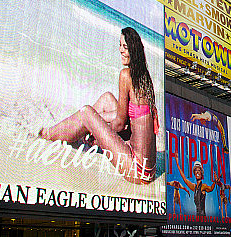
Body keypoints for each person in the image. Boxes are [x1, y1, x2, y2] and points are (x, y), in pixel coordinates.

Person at [39, 27, 158, 184]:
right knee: (107, 98)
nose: (121, 50)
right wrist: (98, 124)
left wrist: (96, 129)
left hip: (137, 169)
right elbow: (130, 119)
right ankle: (80, 131)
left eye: (125, 47)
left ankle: (46, 135)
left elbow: (120, 124)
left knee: (86, 112)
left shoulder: (126, 75)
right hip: (148, 169)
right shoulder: (144, 76)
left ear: (134, 49)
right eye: (120, 45)